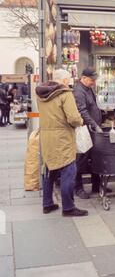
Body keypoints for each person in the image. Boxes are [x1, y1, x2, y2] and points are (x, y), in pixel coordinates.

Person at [36, 69, 88, 217]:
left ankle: (47, 204)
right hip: (62, 137)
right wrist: (80, 121)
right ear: (65, 80)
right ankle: (68, 208)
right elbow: (73, 118)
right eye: (69, 79)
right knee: (68, 171)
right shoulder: (65, 94)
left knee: (49, 170)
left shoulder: (40, 94)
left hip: (46, 137)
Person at [73, 67, 107, 199]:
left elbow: (93, 106)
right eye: (92, 80)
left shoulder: (88, 88)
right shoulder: (78, 91)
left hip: (92, 130)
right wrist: (94, 125)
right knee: (81, 159)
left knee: (95, 157)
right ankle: (78, 188)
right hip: (85, 131)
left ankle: (96, 185)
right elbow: (82, 111)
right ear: (84, 78)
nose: (93, 82)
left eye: (94, 79)